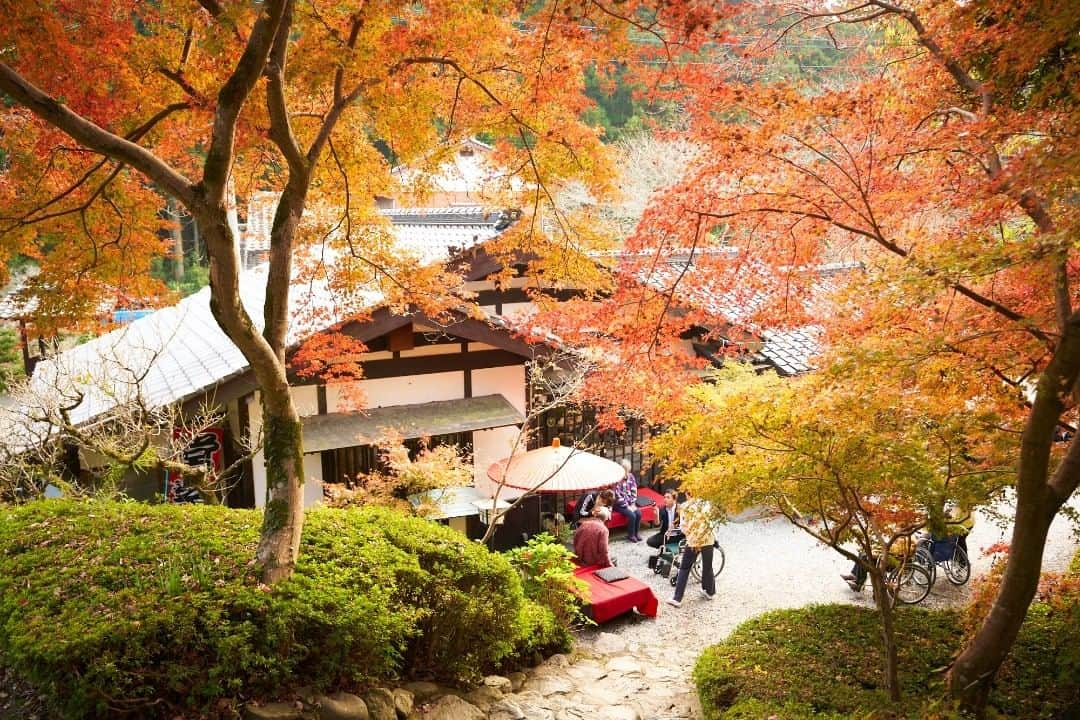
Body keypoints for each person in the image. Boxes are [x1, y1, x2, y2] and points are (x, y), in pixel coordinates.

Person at [667, 488, 716, 606]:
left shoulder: (685, 506)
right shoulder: (707, 503)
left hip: (694, 540)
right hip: (708, 538)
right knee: (708, 567)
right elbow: (712, 522)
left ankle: (677, 598)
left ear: (687, 494)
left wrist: (688, 534)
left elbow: (684, 526)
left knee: (684, 568)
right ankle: (710, 592)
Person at [612, 459, 643, 542]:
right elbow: (617, 495)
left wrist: (632, 503)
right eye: (624, 470)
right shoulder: (616, 479)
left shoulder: (631, 476)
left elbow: (634, 490)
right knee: (632, 515)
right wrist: (626, 506)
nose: (626, 473)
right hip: (619, 504)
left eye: (627, 470)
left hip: (630, 503)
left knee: (639, 513)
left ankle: (636, 533)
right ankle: (631, 535)